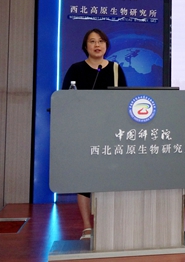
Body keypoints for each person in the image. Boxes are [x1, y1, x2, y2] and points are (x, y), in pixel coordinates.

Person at [61, 28, 127, 240]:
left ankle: (106, 222)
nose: (97, 45)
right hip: (84, 132)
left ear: (106, 45)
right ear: (85, 46)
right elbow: (65, 101)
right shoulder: (76, 70)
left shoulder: (115, 69)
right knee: (85, 179)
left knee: (108, 177)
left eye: (101, 41)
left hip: (109, 131)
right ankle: (87, 227)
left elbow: (124, 100)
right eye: (92, 41)